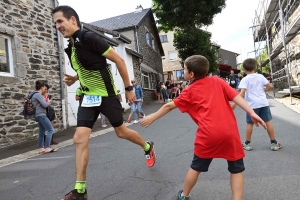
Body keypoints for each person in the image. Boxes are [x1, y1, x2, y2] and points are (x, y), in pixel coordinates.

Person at [52, 6, 156, 200]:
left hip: (107, 95)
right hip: (88, 97)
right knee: (79, 139)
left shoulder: (90, 38)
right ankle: (80, 191)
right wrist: (75, 79)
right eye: (55, 22)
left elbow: (119, 61)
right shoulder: (71, 45)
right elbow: (88, 67)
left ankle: (147, 147)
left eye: (60, 21)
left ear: (72, 19)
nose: (57, 26)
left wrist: (128, 88)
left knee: (121, 131)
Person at [140, 55, 267, 200]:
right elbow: (236, 97)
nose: (184, 71)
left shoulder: (189, 91)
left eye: (184, 69)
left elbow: (169, 106)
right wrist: (251, 112)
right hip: (229, 132)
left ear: (191, 74)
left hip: (208, 135)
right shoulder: (217, 81)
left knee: (196, 167)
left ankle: (184, 195)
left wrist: (151, 117)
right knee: (236, 169)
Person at [231, 58, 282, 151]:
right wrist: (264, 90)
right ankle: (274, 143)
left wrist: (235, 104)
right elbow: (270, 86)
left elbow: (242, 93)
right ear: (255, 67)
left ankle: (247, 143)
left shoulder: (245, 79)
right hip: (263, 103)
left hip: (252, 105)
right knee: (268, 122)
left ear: (243, 68)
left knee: (250, 123)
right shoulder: (260, 76)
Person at [30, 81, 58, 154]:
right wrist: (49, 101)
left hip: (38, 115)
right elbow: (45, 105)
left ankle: (41, 148)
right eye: (44, 88)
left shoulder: (33, 94)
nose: (45, 89)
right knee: (51, 130)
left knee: (42, 132)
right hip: (41, 115)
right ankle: (47, 147)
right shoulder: (38, 95)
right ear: (42, 87)